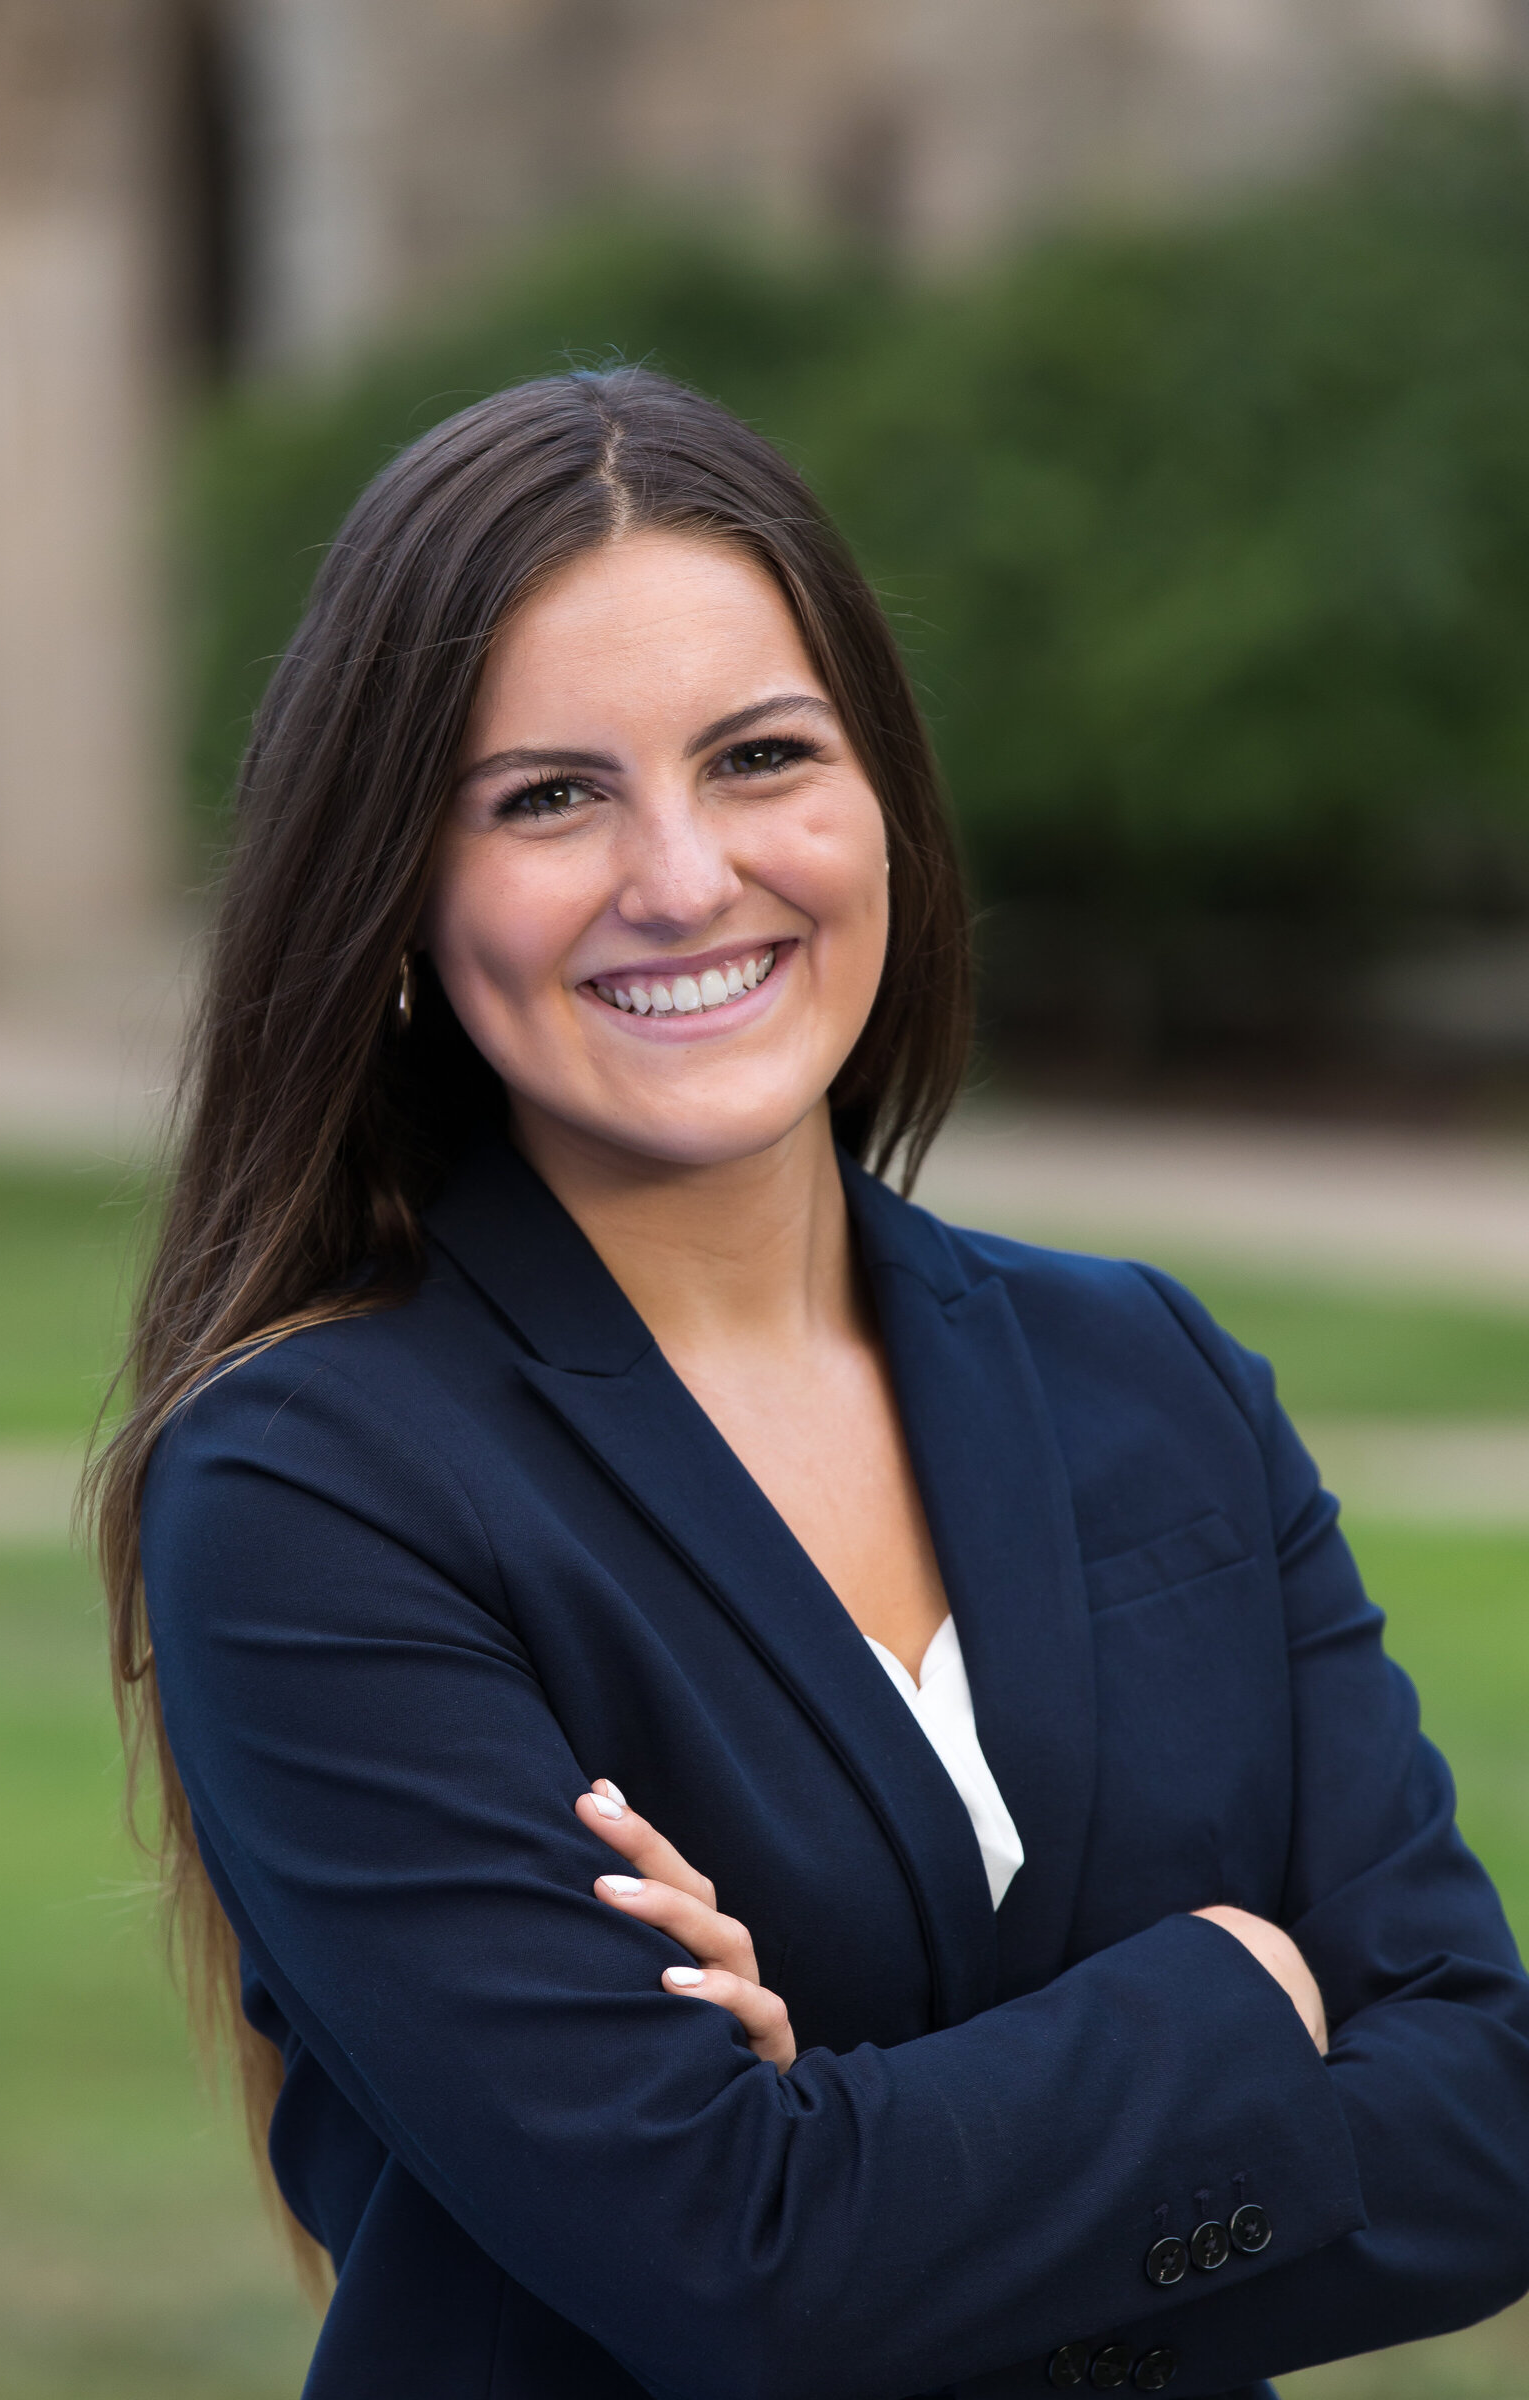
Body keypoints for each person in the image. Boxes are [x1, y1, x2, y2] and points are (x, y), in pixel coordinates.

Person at [94, 368, 1529, 2400]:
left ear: (882, 809)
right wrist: (1235, 2004)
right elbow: (732, 2267)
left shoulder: (1151, 1373)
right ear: (398, 905)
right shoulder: (312, 1490)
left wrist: (859, 2164)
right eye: (548, 796)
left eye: (759, 755)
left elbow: (1480, 2126)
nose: (680, 877)